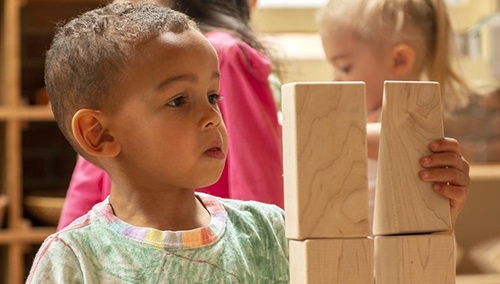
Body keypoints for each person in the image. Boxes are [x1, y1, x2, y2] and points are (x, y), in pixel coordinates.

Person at [26, 2, 289, 282]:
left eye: (213, 97)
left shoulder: (268, 231)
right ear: (99, 134)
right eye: (178, 101)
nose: (212, 117)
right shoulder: (71, 259)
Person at [317, 0, 470, 231]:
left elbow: (400, 141)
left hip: (407, 254)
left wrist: (319, 132)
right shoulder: (366, 119)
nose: (335, 79)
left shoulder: (415, 114)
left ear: (400, 60)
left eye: (345, 67)